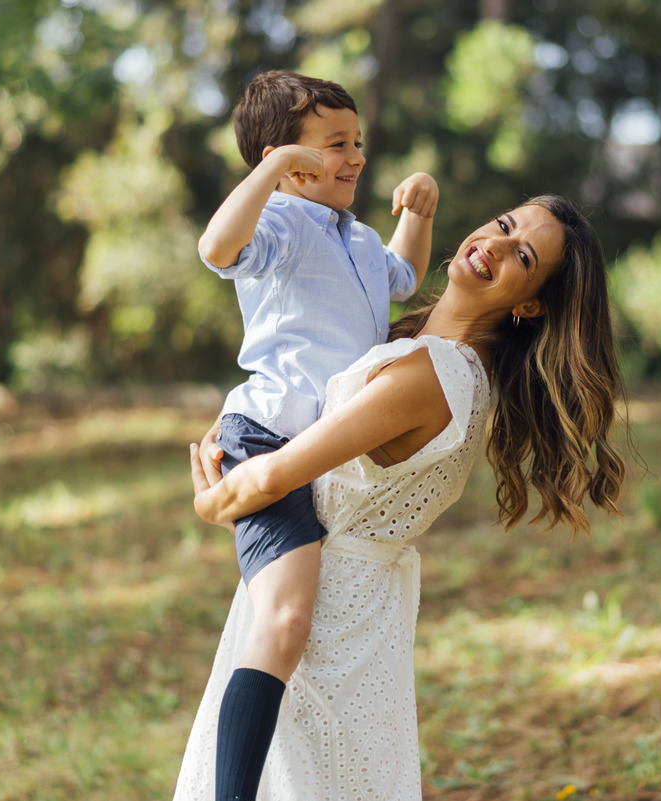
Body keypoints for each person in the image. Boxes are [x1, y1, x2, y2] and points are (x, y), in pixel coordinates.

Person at [172, 195, 627, 800]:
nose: (493, 244)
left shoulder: (431, 376)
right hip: (334, 604)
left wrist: (211, 499)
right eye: (504, 224)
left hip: (324, 625)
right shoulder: (428, 352)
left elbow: (277, 478)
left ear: (529, 303)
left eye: (522, 254)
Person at [195, 70, 439, 801]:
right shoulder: (279, 224)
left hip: (327, 453)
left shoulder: (358, 236)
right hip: (266, 441)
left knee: (304, 624)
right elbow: (216, 247)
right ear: (285, 159)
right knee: (287, 617)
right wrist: (269, 176)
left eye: (357, 141)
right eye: (335, 144)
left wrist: (419, 209)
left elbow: (403, 278)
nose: (356, 157)